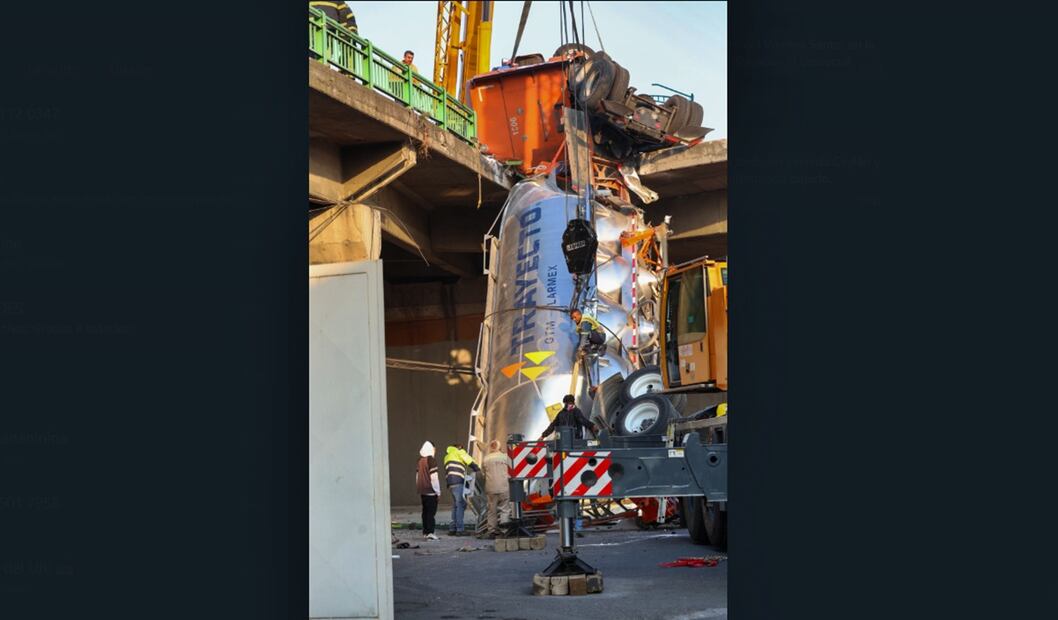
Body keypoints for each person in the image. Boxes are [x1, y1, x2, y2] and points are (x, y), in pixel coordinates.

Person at [443, 443, 480, 536]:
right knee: (460, 505)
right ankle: (460, 529)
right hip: (458, 482)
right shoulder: (459, 452)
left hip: (450, 484)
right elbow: (470, 461)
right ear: (459, 447)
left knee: (455, 505)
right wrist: (478, 470)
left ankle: (453, 528)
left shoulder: (447, 456)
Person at [481, 440, 511, 538]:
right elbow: (511, 470)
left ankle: (492, 530)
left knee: (491, 510)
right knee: (504, 509)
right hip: (504, 487)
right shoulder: (505, 457)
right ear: (499, 447)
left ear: (491, 447)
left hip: (491, 488)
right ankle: (504, 530)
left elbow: (483, 473)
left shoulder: (485, 459)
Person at [415, 441, 441, 540]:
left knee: (425, 512)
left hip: (422, 491)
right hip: (431, 491)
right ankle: (430, 532)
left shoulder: (420, 461)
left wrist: (419, 487)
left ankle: (425, 532)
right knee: (431, 512)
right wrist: (438, 492)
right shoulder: (431, 460)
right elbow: (434, 478)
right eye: (434, 448)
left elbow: (417, 476)